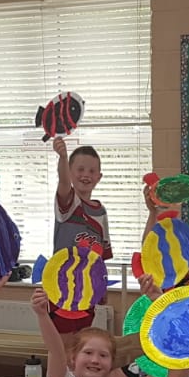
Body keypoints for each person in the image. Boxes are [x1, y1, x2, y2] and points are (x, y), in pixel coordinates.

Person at [50, 137, 110, 334]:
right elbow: (63, 183)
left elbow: (101, 255)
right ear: (70, 173)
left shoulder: (101, 212)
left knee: (82, 341)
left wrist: (102, 285)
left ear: (99, 177)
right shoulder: (68, 203)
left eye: (92, 171)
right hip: (61, 288)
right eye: (80, 169)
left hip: (88, 290)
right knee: (63, 343)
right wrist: (63, 157)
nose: (86, 175)